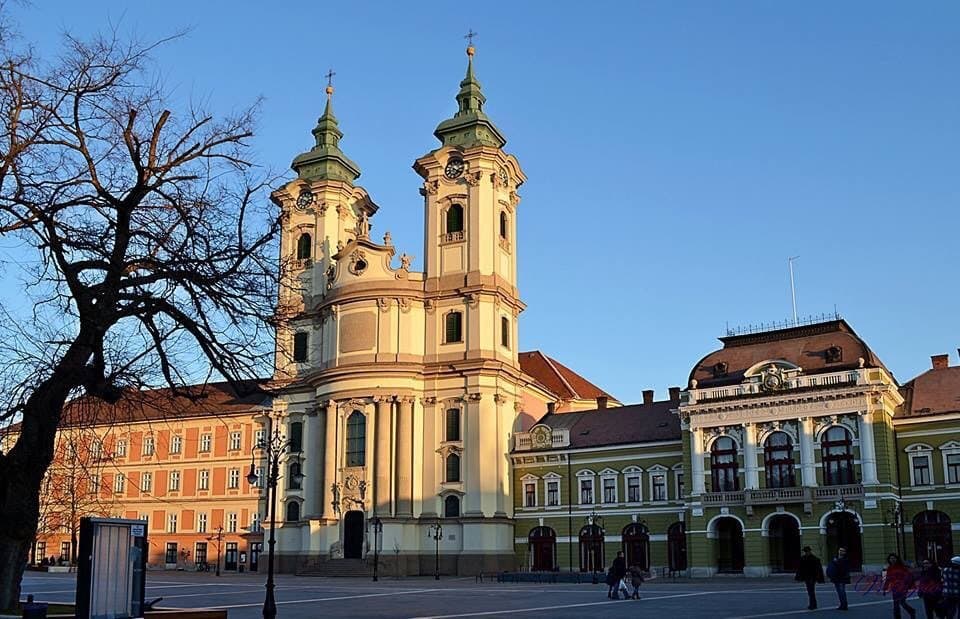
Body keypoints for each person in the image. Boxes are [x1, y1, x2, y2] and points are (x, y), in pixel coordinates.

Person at [884, 554, 917, 619]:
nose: (892, 560)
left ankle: (911, 611)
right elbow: (888, 578)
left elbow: (908, 576)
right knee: (896, 604)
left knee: (902, 602)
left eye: (894, 558)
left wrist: (906, 584)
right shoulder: (889, 568)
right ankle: (899, 617)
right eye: (891, 558)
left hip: (903, 587)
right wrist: (885, 587)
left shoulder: (902, 567)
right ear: (889, 560)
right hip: (895, 588)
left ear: (897, 559)